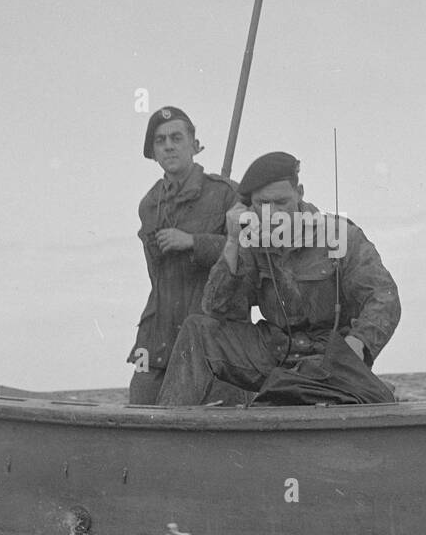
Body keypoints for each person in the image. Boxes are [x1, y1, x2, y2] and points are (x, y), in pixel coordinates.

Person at [156, 151, 401, 405]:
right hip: (273, 352)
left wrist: (359, 343)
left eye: (281, 202)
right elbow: (217, 309)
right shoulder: (250, 239)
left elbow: (384, 297)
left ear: (300, 193)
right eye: (262, 204)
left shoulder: (340, 235)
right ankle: (168, 431)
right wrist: (231, 242)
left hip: (329, 359)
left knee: (302, 393)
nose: (272, 214)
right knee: (197, 330)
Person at [127, 106, 239, 403]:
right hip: (157, 334)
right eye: (160, 141)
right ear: (153, 152)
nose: (168, 146)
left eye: (176, 138)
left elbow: (245, 257)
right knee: (138, 411)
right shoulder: (150, 204)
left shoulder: (227, 194)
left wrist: (193, 242)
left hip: (209, 329)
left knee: (209, 418)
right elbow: (156, 274)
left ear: (194, 144)